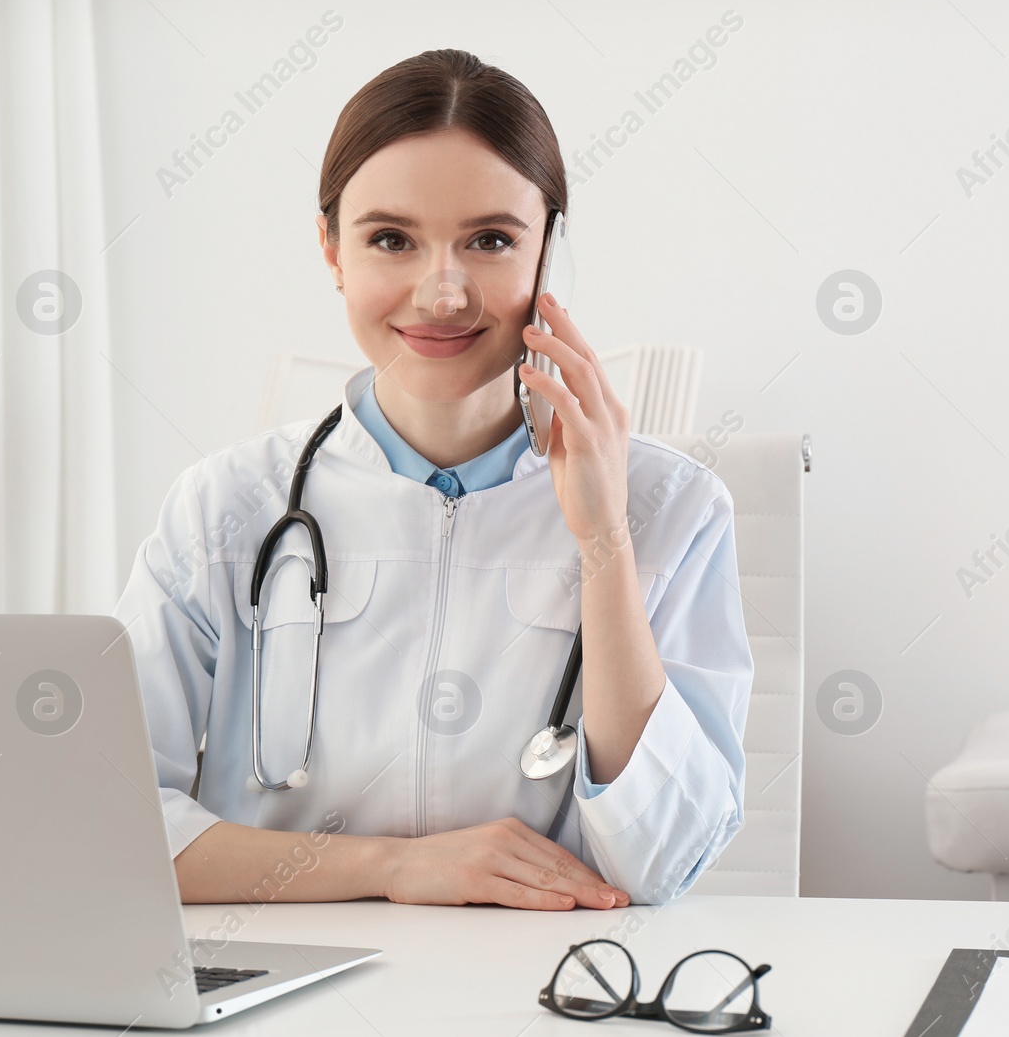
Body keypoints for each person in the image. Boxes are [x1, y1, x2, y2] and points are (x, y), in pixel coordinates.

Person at [113, 48, 754, 911]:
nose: (442, 292)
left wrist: (603, 538)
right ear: (331, 249)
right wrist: (391, 868)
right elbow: (112, 829)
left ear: (545, 252)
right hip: (283, 988)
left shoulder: (673, 508)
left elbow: (663, 861)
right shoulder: (224, 508)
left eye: (490, 240)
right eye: (391, 239)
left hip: (543, 990)